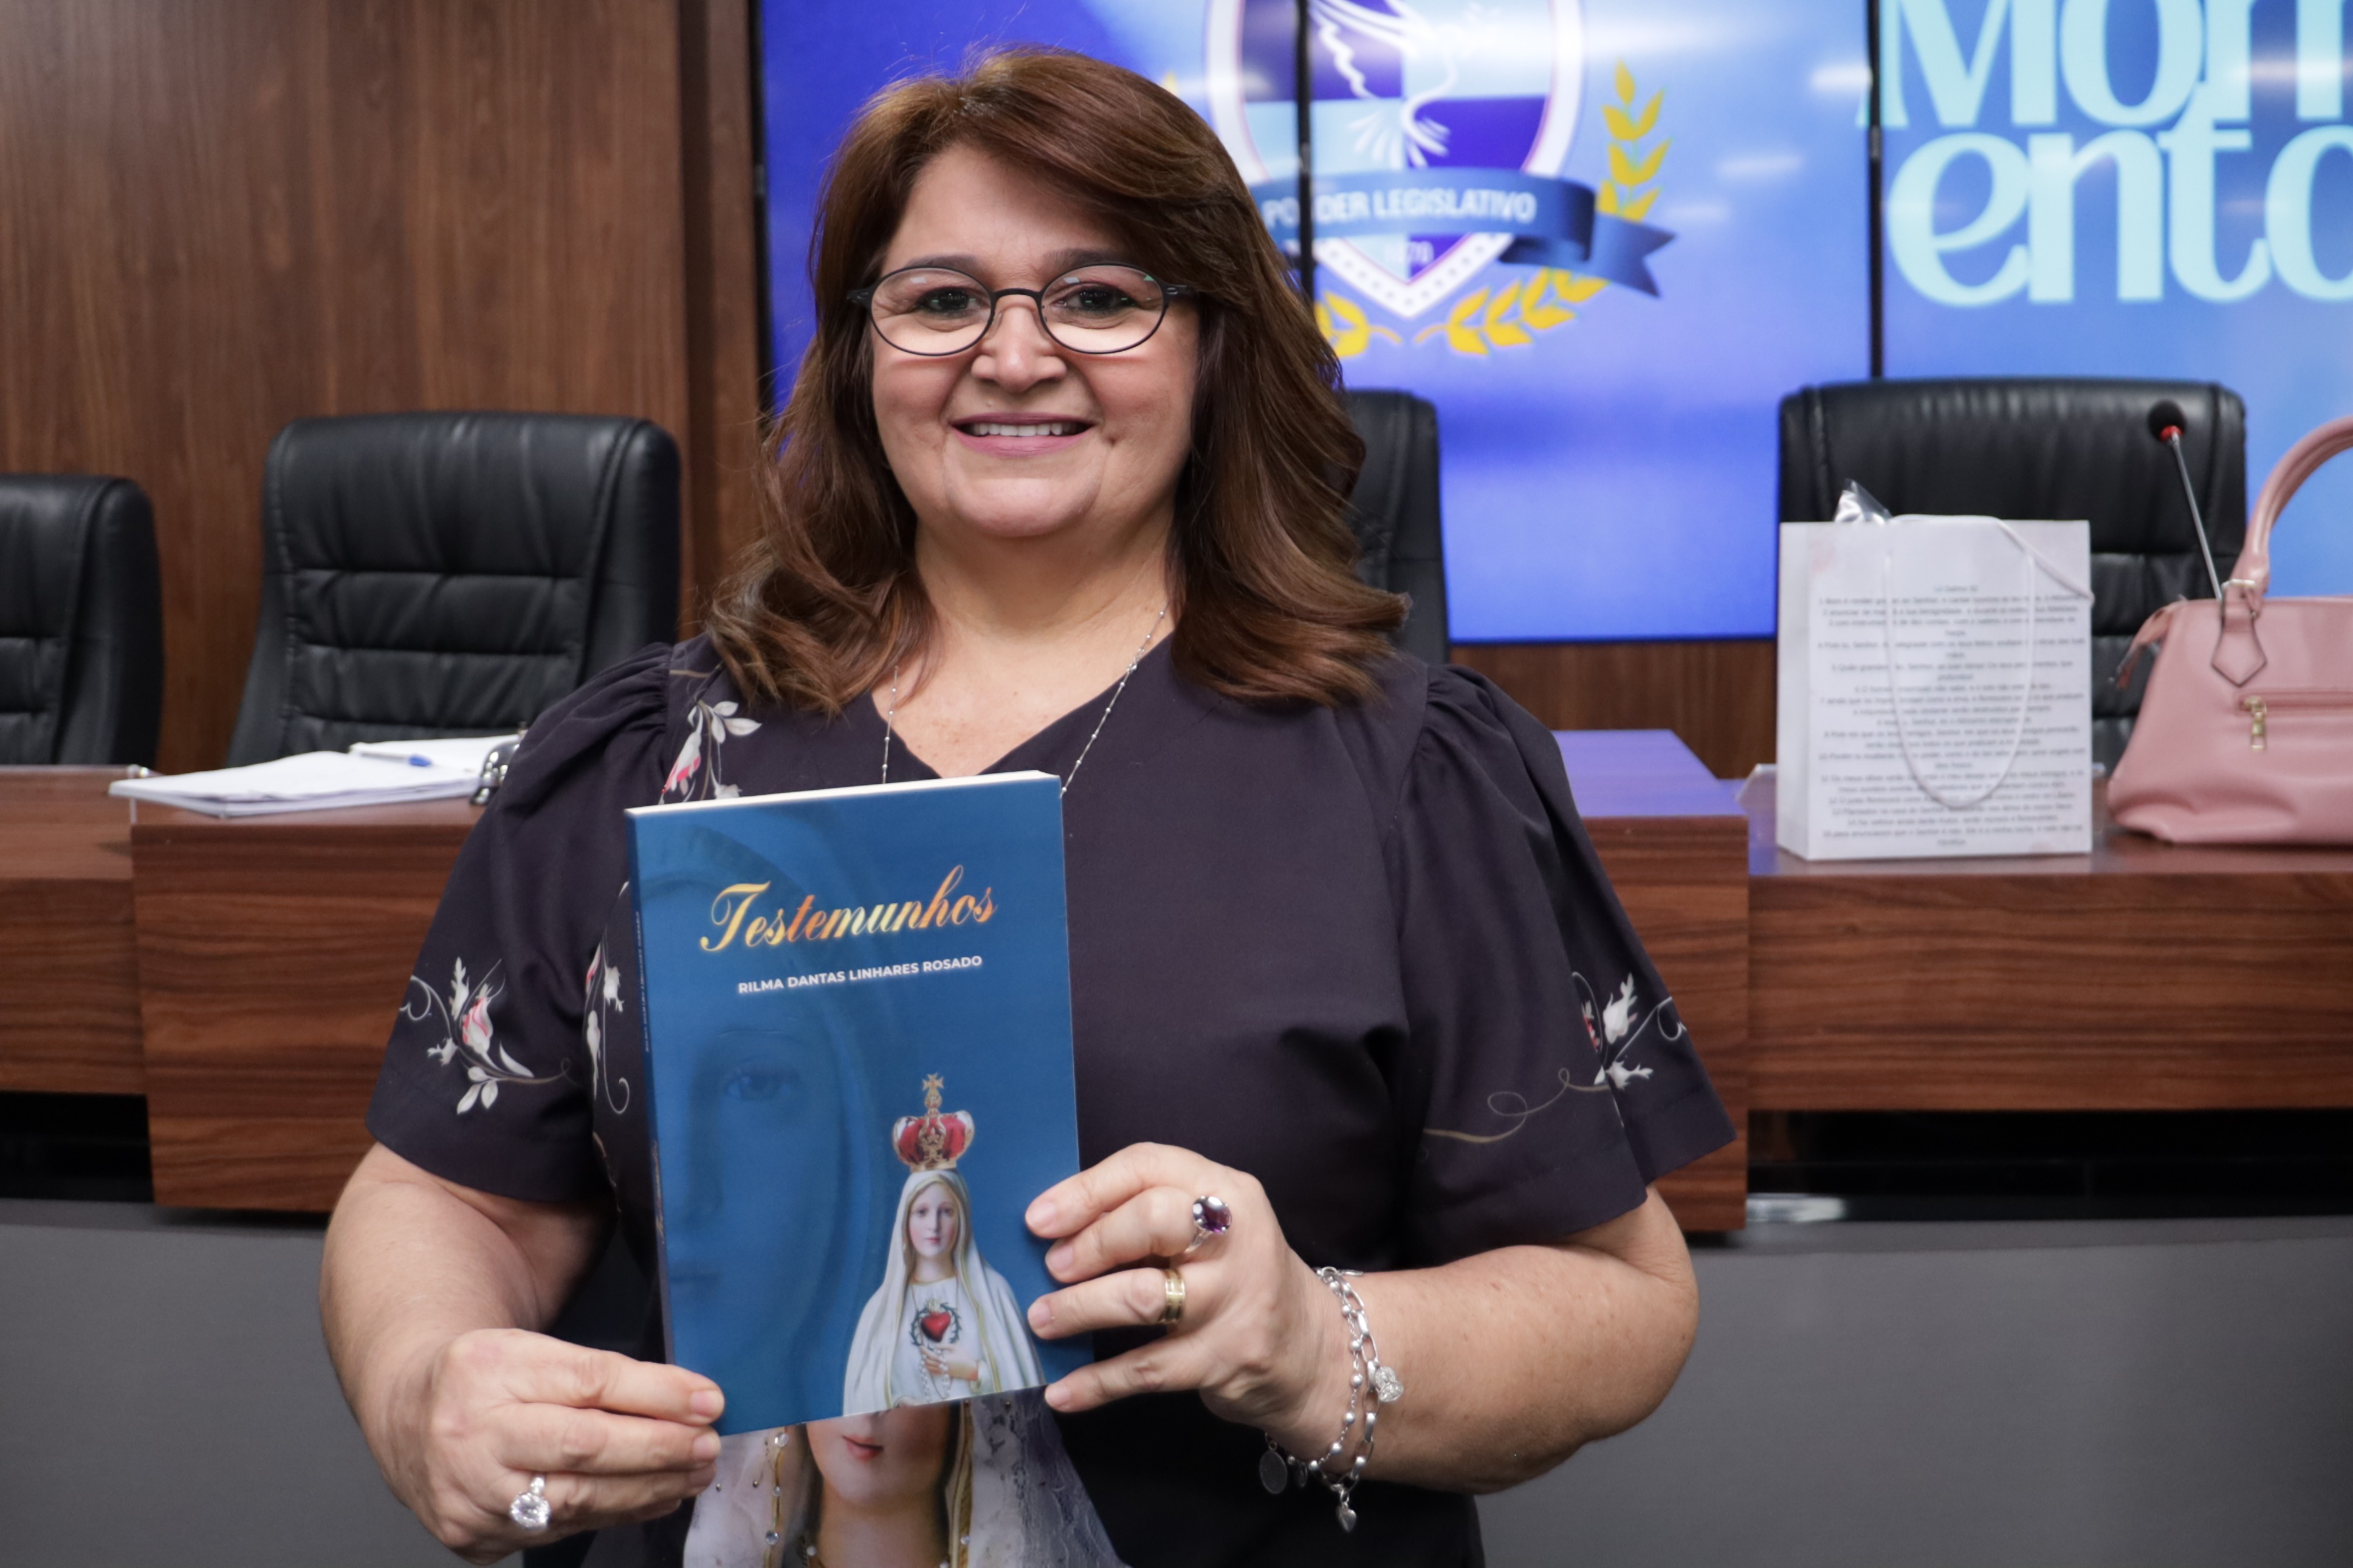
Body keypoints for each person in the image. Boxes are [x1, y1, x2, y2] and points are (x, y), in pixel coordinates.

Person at [321, 45, 1732, 1568]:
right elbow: (448, 1195)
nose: (1012, 354)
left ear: (1213, 346)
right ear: (859, 352)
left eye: (1100, 296)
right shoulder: (646, 753)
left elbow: (1620, 1298)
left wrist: (1313, 1337)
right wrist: (421, 1387)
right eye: (940, 300)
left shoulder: (1405, 772)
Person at [841, 1079, 1045, 1412]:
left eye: (946, 1212)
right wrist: (901, 1406)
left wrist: (976, 1372)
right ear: (905, 1222)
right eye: (921, 1212)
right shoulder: (879, 1311)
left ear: (962, 1218)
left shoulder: (994, 1294)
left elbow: (1026, 1396)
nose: (933, 1225)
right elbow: (860, 1403)